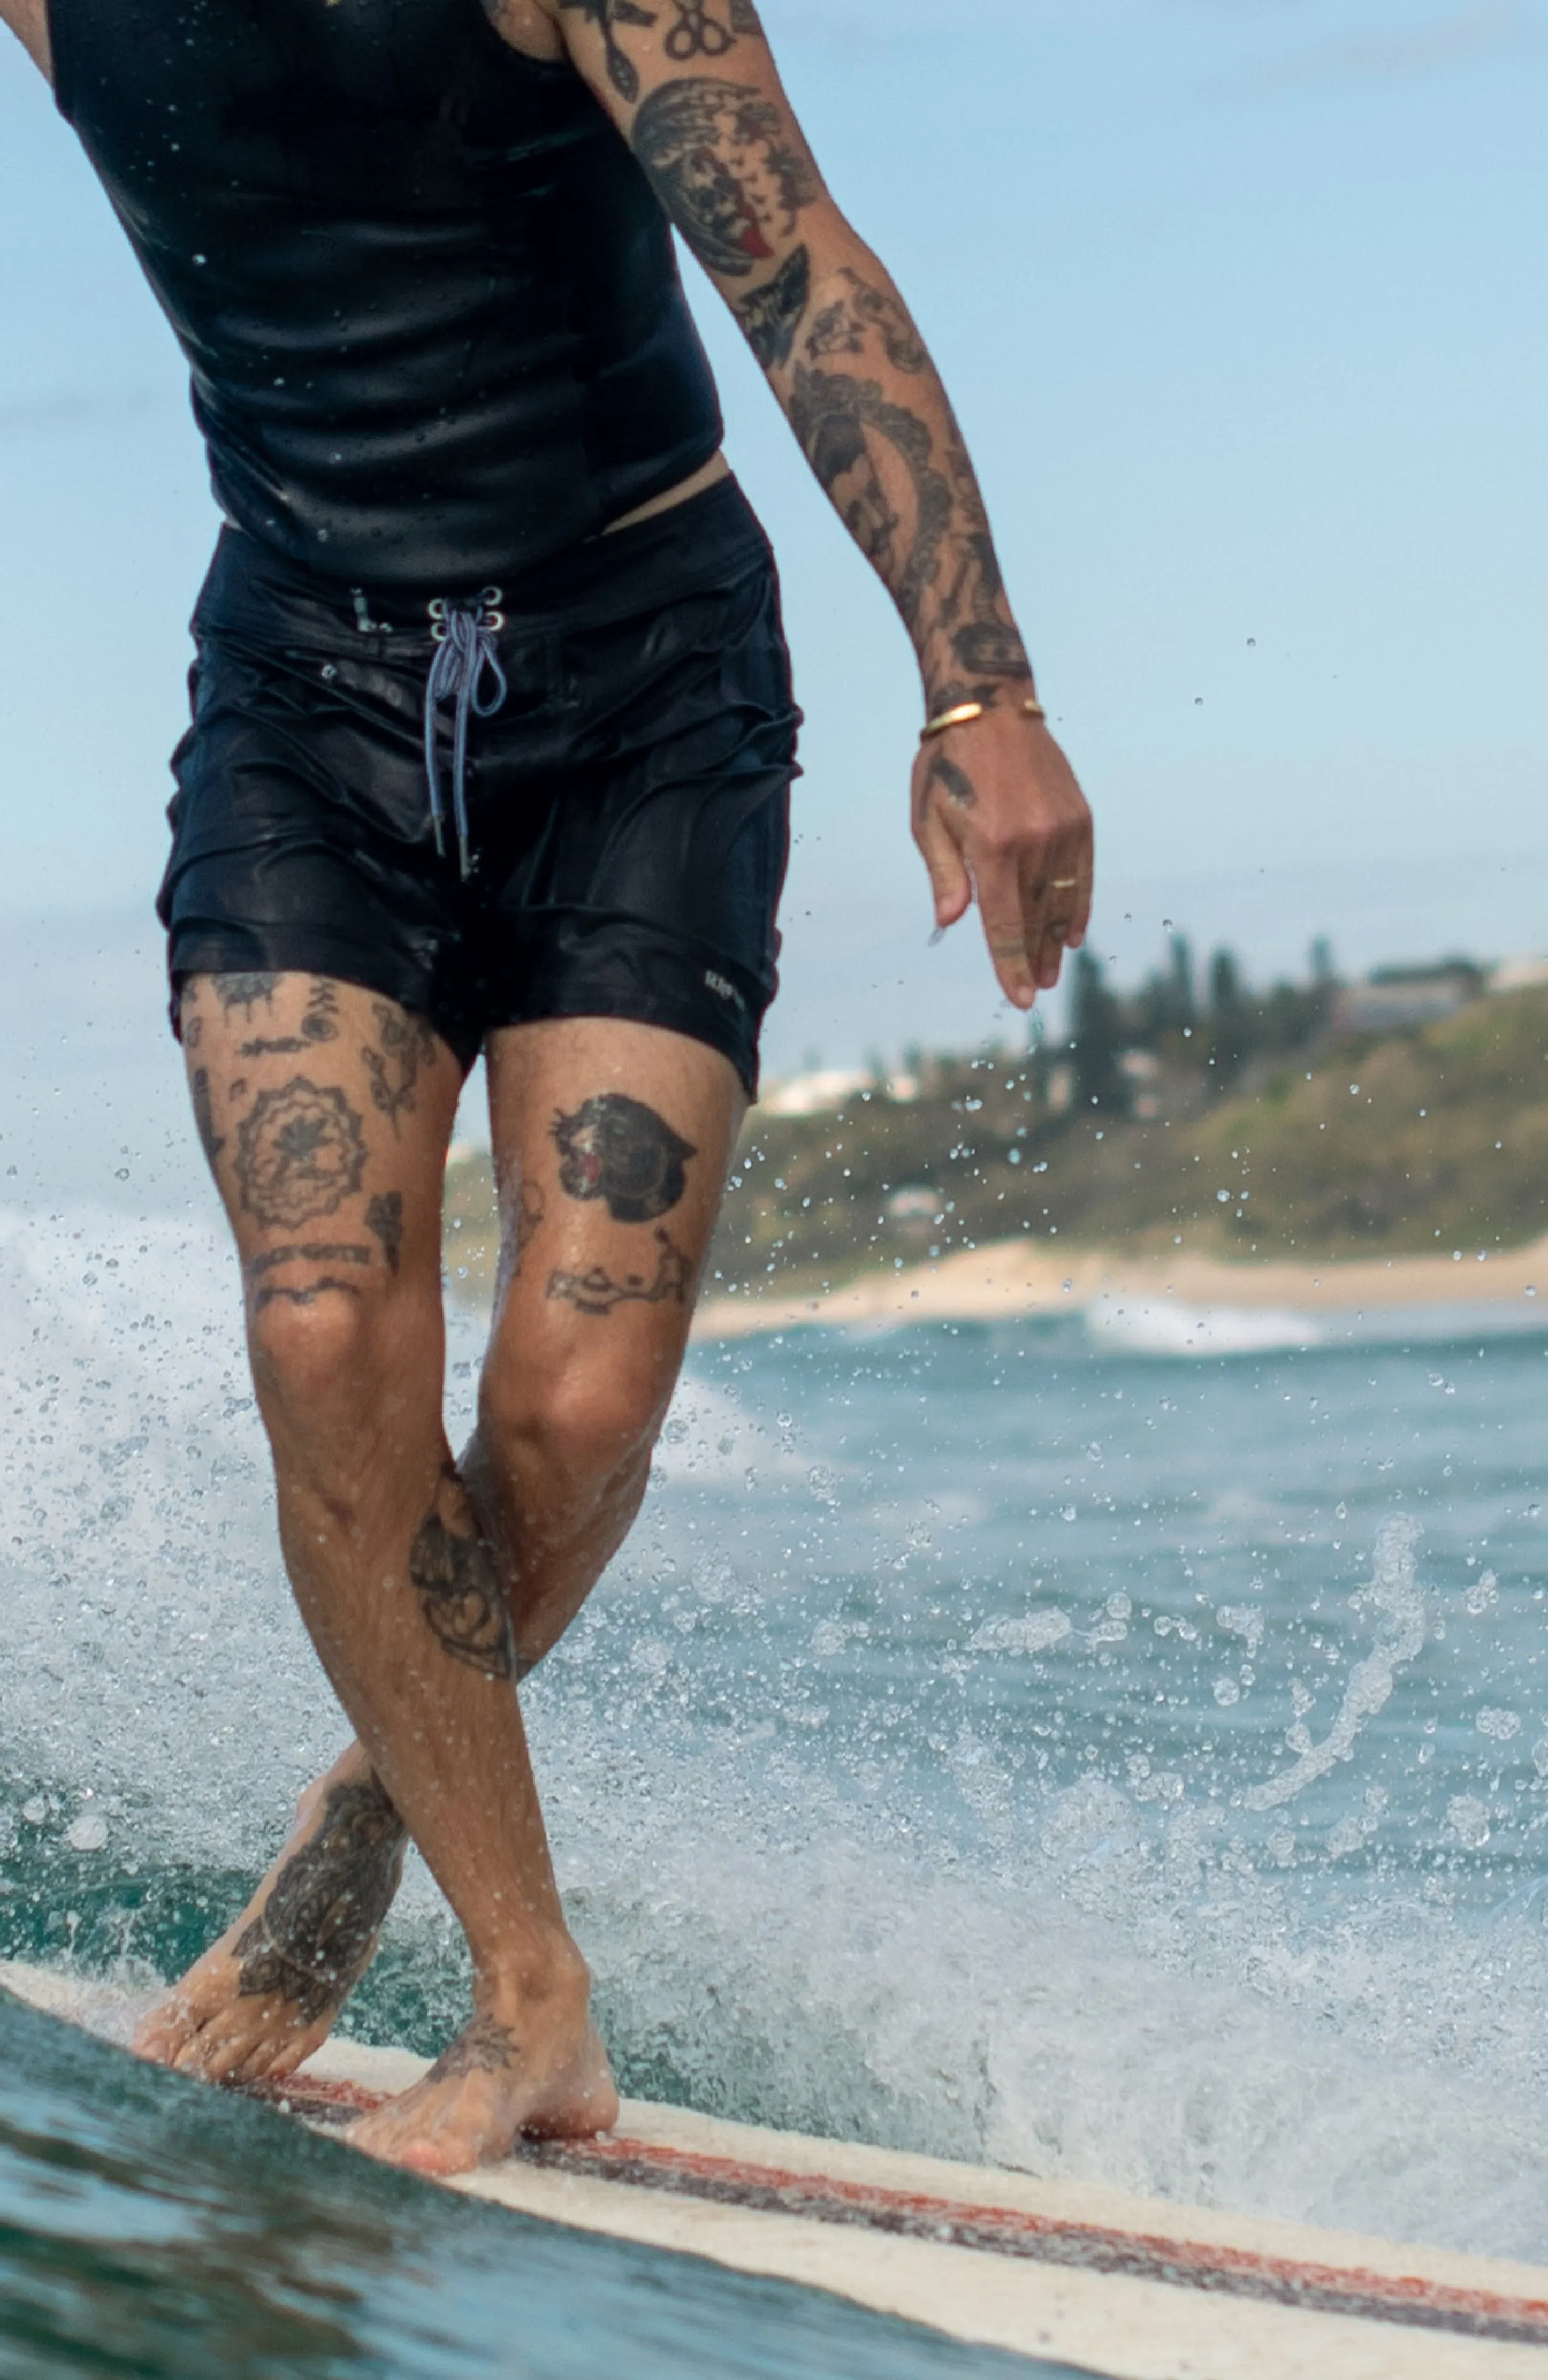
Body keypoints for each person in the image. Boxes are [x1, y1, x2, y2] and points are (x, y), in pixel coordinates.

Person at [0, 0, 1093, 2173]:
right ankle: (531, 2006)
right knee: (324, 1330)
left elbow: (798, 271)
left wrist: (979, 684)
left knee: (574, 1412)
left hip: (640, 685)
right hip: (306, 700)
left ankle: (382, 1793)